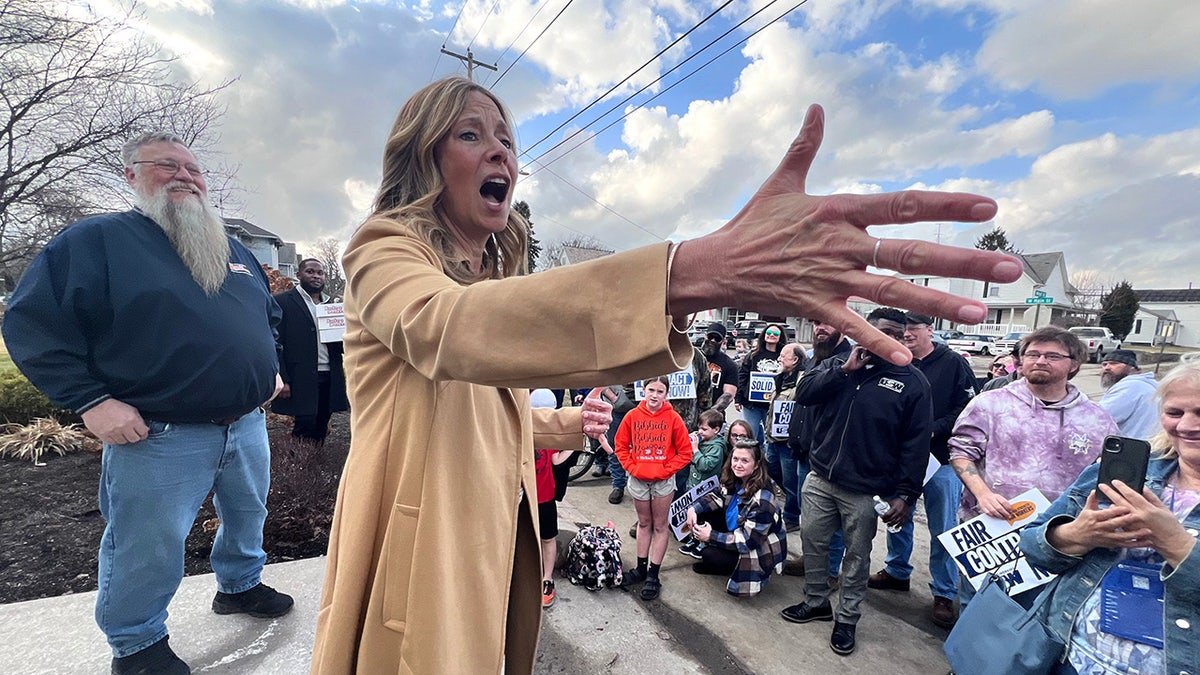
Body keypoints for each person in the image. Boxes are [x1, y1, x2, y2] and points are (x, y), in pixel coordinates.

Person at [308, 75, 1022, 674]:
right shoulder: (383, 249)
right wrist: (694, 269)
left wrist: (559, 424)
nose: (501, 148)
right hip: (420, 546)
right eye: (471, 133)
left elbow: (468, 402)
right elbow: (450, 331)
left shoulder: (487, 279)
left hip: (487, 540)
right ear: (421, 156)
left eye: (507, 138)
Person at [2, 131, 292, 674]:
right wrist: (92, 401)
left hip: (246, 425)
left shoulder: (231, 249)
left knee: (248, 514)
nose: (185, 175)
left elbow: (265, 315)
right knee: (148, 542)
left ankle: (240, 585)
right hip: (159, 434)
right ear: (131, 176)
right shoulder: (96, 242)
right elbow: (34, 326)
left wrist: (270, 367)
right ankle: (135, 644)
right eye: (166, 165)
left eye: (193, 168)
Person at [1018, 354, 1200, 675]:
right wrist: (1074, 536)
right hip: (1073, 657)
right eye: (1174, 412)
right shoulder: (1126, 472)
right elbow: (1033, 544)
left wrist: (1179, 546)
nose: (1186, 425)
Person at [779, 308, 933, 657]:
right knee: (813, 545)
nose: (884, 338)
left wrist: (906, 495)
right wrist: (844, 371)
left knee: (856, 558)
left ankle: (847, 619)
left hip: (866, 489)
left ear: (903, 337)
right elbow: (804, 394)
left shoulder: (912, 382)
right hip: (820, 477)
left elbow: (916, 444)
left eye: (894, 333)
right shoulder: (840, 364)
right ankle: (816, 602)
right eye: (877, 331)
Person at [869, 312, 976, 627]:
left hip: (940, 459)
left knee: (942, 527)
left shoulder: (953, 363)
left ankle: (944, 591)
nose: (908, 335)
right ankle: (897, 571)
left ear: (930, 329)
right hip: (899, 459)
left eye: (913, 329)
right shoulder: (896, 361)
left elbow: (969, 408)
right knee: (896, 518)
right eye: (903, 330)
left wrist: (932, 428)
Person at [949, 327, 1118, 523]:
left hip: (1060, 530)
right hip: (993, 524)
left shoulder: (1097, 419)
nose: (1040, 361)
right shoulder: (989, 404)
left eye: (1052, 356)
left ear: (1074, 364)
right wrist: (983, 495)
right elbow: (961, 453)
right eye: (1033, 354)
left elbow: (1109, 476)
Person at [784, 320, 852, 580]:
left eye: (827, 322)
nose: (820, 327)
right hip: (805, 449)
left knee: (831, 522)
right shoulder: (816, 357)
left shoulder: (848, 361)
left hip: (828, 455)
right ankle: (810, 559)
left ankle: (831, 572)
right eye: (816, 322)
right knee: (809, 516)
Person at [614, 376, 693, 600]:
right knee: (644, 522)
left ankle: (653, 573)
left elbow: (685, 452)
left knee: (660, 525)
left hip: (663, 482)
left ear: (666, 394)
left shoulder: (673, 418)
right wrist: (632, 467)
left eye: (660, 391)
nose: (655, 395)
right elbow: (620, 446)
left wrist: (666, 470)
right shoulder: (632, 416)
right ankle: (640, 568)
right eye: (651, 390)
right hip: (639, 479)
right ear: (644, 391)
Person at [686, 438, 787, 596]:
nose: (738, 464)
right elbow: (718, 495)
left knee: (709, 555)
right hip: (739, 528)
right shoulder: (737, 477)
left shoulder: (763, 500)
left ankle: (731, 567)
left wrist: (711, 536)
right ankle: (717, 554)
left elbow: (748, 542)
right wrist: (693, 509)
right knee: (702, 513)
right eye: (735, 459)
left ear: (757, 465)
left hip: (756, 548)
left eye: (745, 460)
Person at [272, 258, 349, 444]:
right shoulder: (282, 302)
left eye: (320, 273)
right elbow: (275, 342)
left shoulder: (333, 306)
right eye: (310, 271)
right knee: (303, 427)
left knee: (322, 425)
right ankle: (298, 468)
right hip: (300, 376)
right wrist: (283, 378)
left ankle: (315, 467)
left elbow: (341, 344)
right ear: (299, 275)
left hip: (329, 375)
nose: (316, 276)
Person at [530, 389, 572, 609]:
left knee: (548, 537)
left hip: (545, 495)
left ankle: (547, 578)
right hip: (524, 496)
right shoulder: (521, 429)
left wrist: (574, 446)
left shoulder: (550, 433)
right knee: (524, 537)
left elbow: (556, 460)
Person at [678, 409, 730, 559]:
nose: (700, 431)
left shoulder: (717, 447)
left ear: (716, 430)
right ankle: (693, 539)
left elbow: (705, 465)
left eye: (704, 429)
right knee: (694, 516)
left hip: (707, 490)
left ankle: (703, 542)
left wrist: (695, 450)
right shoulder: (703, 441)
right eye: (699, 427)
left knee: (704, 517)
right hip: (694, 486)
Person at [767, 342, 805, 530]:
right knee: (772, 470)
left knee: (791, 480)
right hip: (773, 438)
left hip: (788, 441)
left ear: (795, 359)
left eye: (783, 355)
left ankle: (791, 517)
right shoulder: (780, 378)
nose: (779, 358)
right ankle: (791, 504)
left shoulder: (803, 380)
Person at [736, 323, 785, 446]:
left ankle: (767, 463)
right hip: (751, 404)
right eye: (769, 333)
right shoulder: (753, 355)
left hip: (773, 405)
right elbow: (742, 376)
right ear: (764, 335)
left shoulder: (784, 356)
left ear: (780, 337)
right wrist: (738, 398)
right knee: (750, 436)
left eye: (775, 334)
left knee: (772, 439)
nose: (772, 335)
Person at [1098, 348, 1161, 440]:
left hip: (1130, 449)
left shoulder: (1130, 386)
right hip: (1147, 446)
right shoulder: (1146, 384)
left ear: (1132, 368)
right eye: (1104, 364)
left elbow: (1098, 418)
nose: (1107, 368)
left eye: (1114, 363)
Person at [700, 322, 739, 412]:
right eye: (710, 336)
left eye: (717, 338)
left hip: (714, 415)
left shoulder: (730, 364)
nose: (713, 340)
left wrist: (712, 412)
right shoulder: (691, 357)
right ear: (705, 336)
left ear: (723, 341)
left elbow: (729, 394)